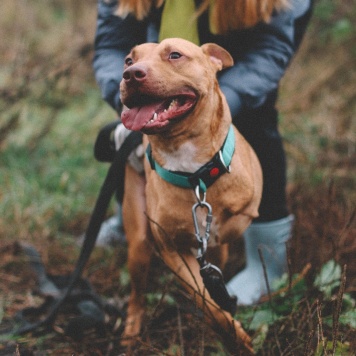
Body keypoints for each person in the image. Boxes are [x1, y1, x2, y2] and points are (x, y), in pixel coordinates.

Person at [92, 0, 313, 305]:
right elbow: (112, 44)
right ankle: (128, 220)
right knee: (140, 136)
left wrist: (218, 105)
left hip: (256, 34)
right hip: (168, 48)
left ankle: (267, 264)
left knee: (255, 115)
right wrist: (134, 109)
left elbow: (267, 53)